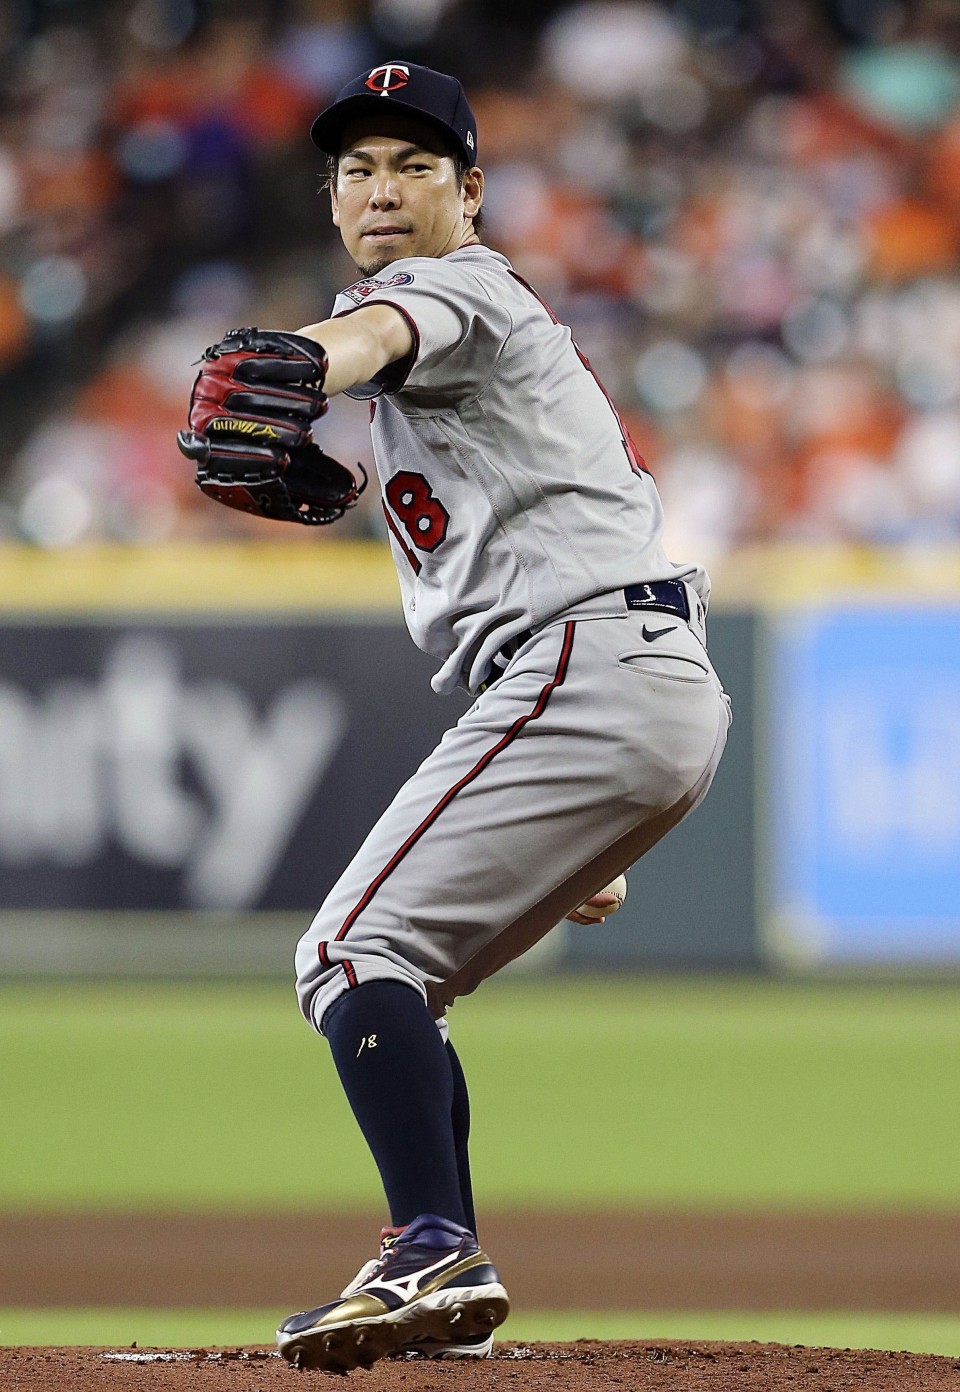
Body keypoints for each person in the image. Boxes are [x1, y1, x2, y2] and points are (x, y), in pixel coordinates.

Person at [259, 61, 731, 1372]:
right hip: (619, 677)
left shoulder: (452, 291)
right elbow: (339, 445)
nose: (382, 187)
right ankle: (440, 1274)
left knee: (348, 951)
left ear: (471, 191)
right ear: (332, 195)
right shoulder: (421, 336)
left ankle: (431, 1242)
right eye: (357, 167)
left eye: (415, 164)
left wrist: (305, 357)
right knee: (408, 974)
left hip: (583, 663)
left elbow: (369, 343)